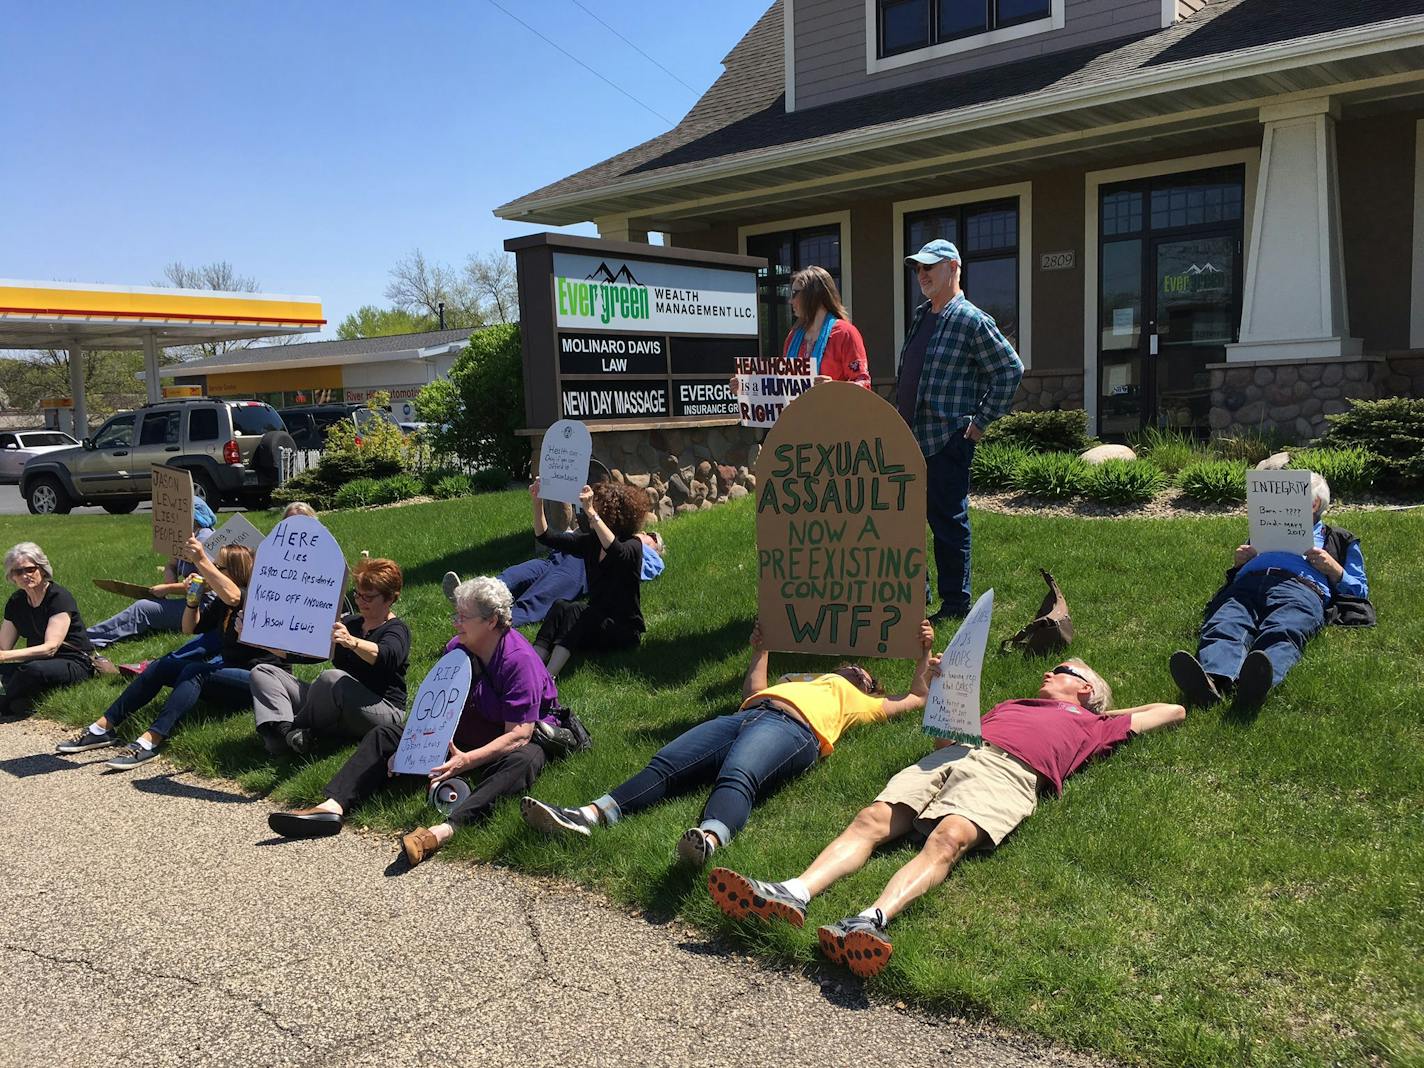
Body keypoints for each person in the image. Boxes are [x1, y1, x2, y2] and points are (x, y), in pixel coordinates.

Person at [708, 661, 1185, 978]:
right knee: (873, 818)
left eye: (1062, 670)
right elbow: (943, 742)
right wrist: (939, 692)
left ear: (1084, 687)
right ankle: (793, 892)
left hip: (1012, 772)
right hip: (960, 752)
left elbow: (1173, 710)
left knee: (949, 837)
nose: (1047, 670)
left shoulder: (1097, 725)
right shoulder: (1011, 705)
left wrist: (1096, 711)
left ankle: (869, 922)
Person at [521, 619, 936, 867]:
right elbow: (751, 689)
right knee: (666, 763)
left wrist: (923, 653)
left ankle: (708, 840)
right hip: (746, 714)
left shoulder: (859, 701)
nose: (856, 671)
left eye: (863, 674)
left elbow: (916, 698)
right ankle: (589, 815)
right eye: (852, 667)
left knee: (739, 775)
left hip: (795, 730)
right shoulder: (797, 681)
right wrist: (763, 648)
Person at [265, 577, 561, 869]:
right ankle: (332, 807)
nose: (455, 623)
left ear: (492, 621)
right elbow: (435, 708)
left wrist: (465, 761)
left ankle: (445, 830)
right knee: (386, 735)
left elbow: (518, 735)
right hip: (462, 732)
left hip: (504, 740)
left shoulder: (518, 661)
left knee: (525, 759)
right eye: (455, 614)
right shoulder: (457, 649)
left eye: (463, 617)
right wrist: (411, 747)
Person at [56, 541, 279, 769]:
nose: (211, 568)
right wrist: (193, 600)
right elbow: (189, 629)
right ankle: (101, 729)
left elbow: (234, 596)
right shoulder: (223, 604)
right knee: (164, 665)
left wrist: (200, 559)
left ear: (233, 572)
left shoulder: (253, 598)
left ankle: (151, 741)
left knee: (196, 671)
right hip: (231, 675)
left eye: (217, 566)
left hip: (261, 683)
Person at [1169, 471, 1373, 709]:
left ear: (1314, 504)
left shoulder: (1337, 538)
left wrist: (1334, 569)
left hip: (1300, 588)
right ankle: (1213, 679)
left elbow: (1359, 589)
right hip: (1248, 583)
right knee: (1227, 620)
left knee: (1284, 627)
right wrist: (1240, 562)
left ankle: (1257, 682)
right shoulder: (1265, 530)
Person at [897, 239, 1023, 622]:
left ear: (953, 268)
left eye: (929, 267)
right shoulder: (922, 315)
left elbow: (1009, 370)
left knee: (948, 525)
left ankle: (954, 605)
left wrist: (979, 423)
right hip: (911, 440)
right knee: (906, 525)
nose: (922, 274)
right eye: (918, 268)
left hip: (946, 441)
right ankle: (916, 600)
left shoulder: (972, 320)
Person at [250, 557, 410, 756]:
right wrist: (255, 638)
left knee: (331, 678)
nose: (360, 601)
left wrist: (351, 642)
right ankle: (287, 732)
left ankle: (285, 734)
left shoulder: (396, 629)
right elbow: (304, 654)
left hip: (380, 711)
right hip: (336, 703)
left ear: (389, 598)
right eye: (358, 595)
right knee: (263, 671)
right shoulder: (350, 623)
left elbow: (388, 656)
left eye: (368, 597)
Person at [530, 478, 650, 677]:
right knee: (561, 606)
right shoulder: (591, 543)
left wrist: (591, 512)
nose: (588, 513)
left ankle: (547, 678)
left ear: (611, 516)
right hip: (595, 622)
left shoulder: (633, 545)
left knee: (578, 610)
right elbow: (545, 536)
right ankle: (531, 667)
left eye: (597, 509)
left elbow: (616, 552)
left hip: (623, 630)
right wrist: (537, 502)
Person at [440, 528, 666, 626]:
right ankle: (469, 595)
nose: (646, 534)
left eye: (651, 537)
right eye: (647, 532)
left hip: (578, 569)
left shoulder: (646, 556)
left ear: (655, 547)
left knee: (537, 599)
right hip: (555, 559)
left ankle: (488, 621)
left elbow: (639, 569)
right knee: (511, 576)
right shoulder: (618, 535)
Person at [86, 498, 218, 651]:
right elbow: (172, 563)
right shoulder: (187, 536)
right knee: (148, 606)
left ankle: (89, 640)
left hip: (206, 607)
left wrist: (167, 589)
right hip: (192, 602)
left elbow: (205, 585)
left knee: (143, 609)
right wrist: (170, 575)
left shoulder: (205, 538)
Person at [0, 542, 95, 716]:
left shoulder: (58, 597)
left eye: (30, 569)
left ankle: (5, 704)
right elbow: (3, 647)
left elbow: (50, 648)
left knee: (31, 671)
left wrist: (5, 656)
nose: (25, 575)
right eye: (18, 572)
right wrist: (3, 655)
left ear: (42, 569)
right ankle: (20, 702)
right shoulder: (16, 602)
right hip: (36, 663)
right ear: (12, 577)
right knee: (23, 671)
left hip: (73, 662)